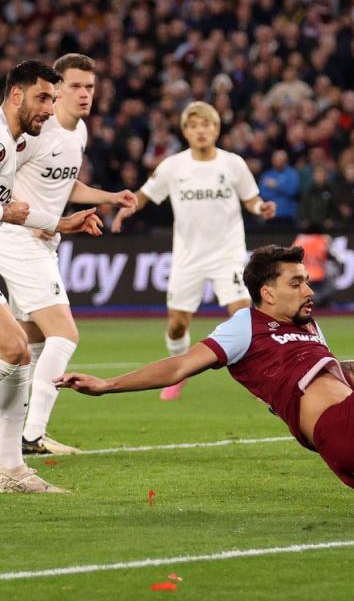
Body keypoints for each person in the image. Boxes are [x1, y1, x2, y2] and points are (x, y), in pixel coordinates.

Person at [56, 245, 354, 518]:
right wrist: (106, 386)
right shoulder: (243, 326)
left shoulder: (308, 326)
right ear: (266, 293)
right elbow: (180, 365)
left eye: (308, 280)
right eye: (297, 282)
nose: (309, 289)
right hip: (341, 433)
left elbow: (342, 375)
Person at [0, 54, 136, 457]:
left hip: (44, 238)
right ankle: (30, 437)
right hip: (18, 238)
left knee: (31, 340)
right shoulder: (33, 133)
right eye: (74, 86)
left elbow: (65, 182)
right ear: (55, 91)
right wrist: (34, 215)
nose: (83, 94)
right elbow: (9, 177)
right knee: (65, 333)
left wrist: (109, 197)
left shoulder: (77, 135)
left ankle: (23, 433)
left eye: (89, 87)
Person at [111, 102, 277, 401]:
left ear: (216, 129)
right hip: (188, 257)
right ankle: (180, 373)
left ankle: (260, 380)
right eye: (194, 126)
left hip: (227, 253)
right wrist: (126, 209)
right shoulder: (173, 166)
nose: (201, 131)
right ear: (185, 131)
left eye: (206, 125)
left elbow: (251, 199)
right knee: (177, 325)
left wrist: (261, 208)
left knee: (242, 317)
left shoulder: (233, 163)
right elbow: (146, 195)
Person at [0, 59, 103, 493]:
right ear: (17, 95)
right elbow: (10, 210)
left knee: (19, 348)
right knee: (23, 347)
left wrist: (62, 223)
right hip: (18, 248)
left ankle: (12, 469)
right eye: (43, 97)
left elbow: (17, 209)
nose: (50, 105)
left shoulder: (13, 140)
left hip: (27, 241)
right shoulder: (5, 145)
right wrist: (6, 211)